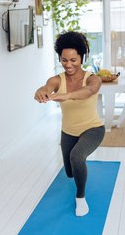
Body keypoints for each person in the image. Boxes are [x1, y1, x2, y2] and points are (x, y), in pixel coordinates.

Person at [34, 31, 105, 217]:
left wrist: (66, 95)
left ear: (82, 57)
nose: (69, 65)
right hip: (68, 131)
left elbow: (89, 91)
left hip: (93, 128)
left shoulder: (93, 78)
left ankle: (80, 198)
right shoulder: (57, 80)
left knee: (77, 156)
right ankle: (79, 169)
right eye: (64, 60)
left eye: (73, 60)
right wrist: (40, 92)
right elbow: (46, 87)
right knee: (69, 172)